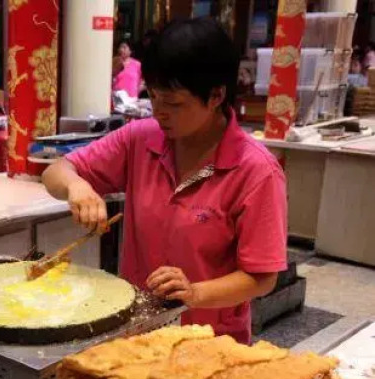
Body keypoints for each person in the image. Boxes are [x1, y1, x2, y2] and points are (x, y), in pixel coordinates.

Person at [41, 18, 287, 345]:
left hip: (210, 342)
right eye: (153, 97)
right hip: (136, 332)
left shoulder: (256, 170)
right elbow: (55, 172)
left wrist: (195, 293)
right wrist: (77, 186)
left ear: (216, 95)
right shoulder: (140, 139)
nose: (159, 112)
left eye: (173, 103)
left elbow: (262, 277)